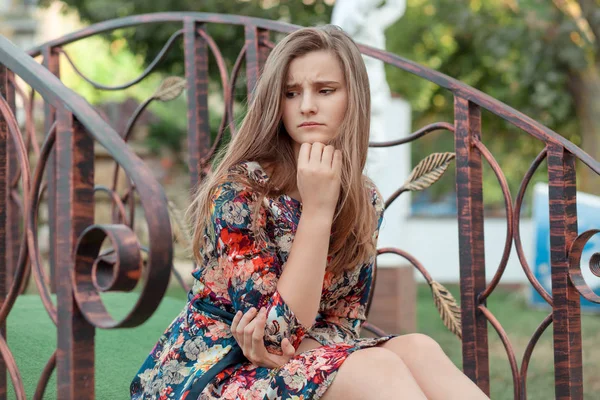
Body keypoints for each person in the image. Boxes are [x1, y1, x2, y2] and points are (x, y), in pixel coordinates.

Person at [130, 25, 489, 400]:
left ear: (354, 99)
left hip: (297, 360)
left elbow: (345, 321)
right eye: (291, 93)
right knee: (376, 367)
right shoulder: (240, 193)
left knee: (418, 348)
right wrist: (317, 211)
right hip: (214, 370)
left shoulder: (364, 198)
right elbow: (271, 335)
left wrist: (300, 349)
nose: (306, 106)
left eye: (325, 90)